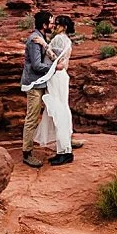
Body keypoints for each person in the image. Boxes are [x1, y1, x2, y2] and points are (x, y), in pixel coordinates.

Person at [34, 14, 76, 165]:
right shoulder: (66, 40)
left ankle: (65, 153)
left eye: (57, 24)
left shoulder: (59, 39)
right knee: (60, 111)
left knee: (59, 112)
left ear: (64, 27)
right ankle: (63, 151)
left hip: (56, 77)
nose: (54, 26)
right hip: (60, 77)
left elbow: (55, 59)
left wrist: (44, 45)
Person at [19, 11, 54, 168]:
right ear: (44, 25)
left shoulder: (42, 37)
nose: (52, 25)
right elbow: (36, 65)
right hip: (34, 84)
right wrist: (53, 67)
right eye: (51, 22)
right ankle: (27, 153)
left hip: (41, 83)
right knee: (32, 117)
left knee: (55, 111)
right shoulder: (34, 39)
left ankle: (65, 140)